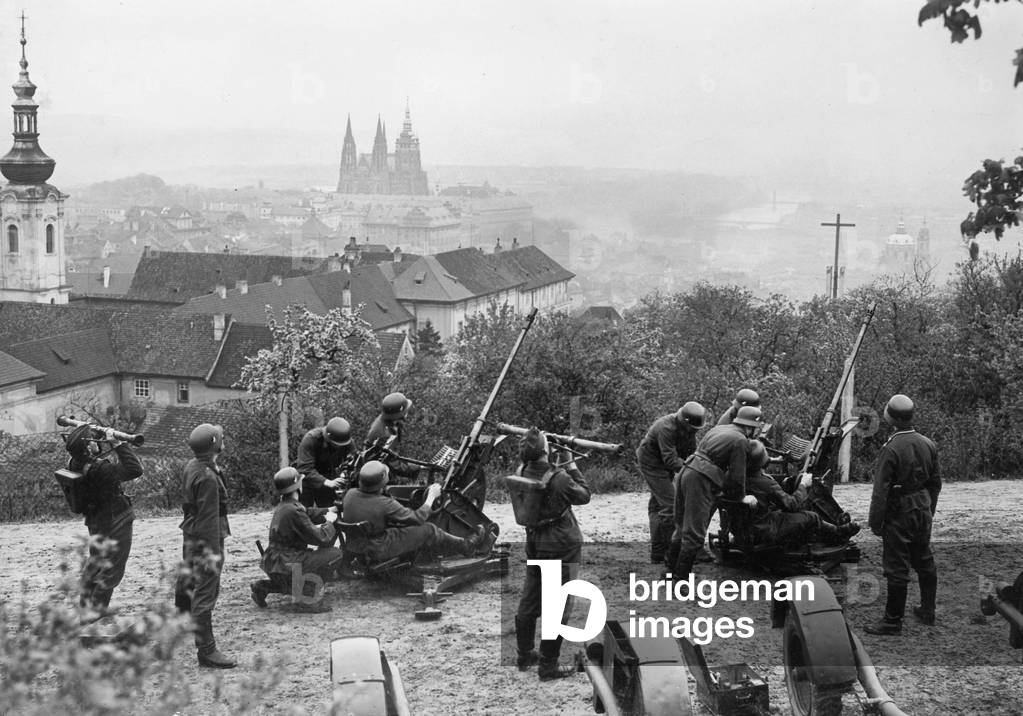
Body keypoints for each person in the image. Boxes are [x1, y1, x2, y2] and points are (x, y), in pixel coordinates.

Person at [513, 428, 591, 681]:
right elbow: (584, 496)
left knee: (530, 598)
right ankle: (548, 666)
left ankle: (524, 654)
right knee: (559, 605)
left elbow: (540, 470)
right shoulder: (559, 478)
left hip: (535, 542)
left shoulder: (521, 472)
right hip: (560, 545)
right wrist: (573, 465)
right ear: (545, 450)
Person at [865, 395, 940, 636]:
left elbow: (880, 492)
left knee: (897, 566)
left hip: (900, 511)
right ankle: (928, 610)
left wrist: (876, 523)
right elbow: (935, 483)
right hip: (922, 507)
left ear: (891, 418)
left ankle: (892, 622)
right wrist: (929, 509)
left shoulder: (891, 448)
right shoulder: (928, 443)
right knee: (923, 559)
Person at [667, 405, 763, 580]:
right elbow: (737, 476)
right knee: (695, 534)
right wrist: (742, 497)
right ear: (751, 427)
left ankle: (668, 574)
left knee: (681, 528)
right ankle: (679, 582)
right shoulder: (740, 441)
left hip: (687, 470)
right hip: (700, 478)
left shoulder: (720, 428)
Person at [63, 423, 143, 615]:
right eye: (91, 440)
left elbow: (95, 459)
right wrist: (119, 444)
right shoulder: (101, 470)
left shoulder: (74, 462)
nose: (94, 442)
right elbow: (135, 469)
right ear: (87, 448)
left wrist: (100, 436)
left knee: (95, 563)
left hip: (95, 521)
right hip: (116, 521)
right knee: (113, 568)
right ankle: (96, 613)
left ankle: (85, 609)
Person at [174, 423, 236, 669]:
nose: (223, 440)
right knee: (206, 590)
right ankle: (207, 651)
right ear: (215, 446)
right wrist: (214, 553)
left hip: (191, 531)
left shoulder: (194, 466)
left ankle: (181, 621)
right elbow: (210, 517)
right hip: (206, 534)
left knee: (188, 578)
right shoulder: (208, 477)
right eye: (221, 438)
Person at [341, 460, 488, 563]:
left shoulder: (350, 494)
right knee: (428, 529)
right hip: (379, 548)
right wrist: (430, 498)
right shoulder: (384, 503)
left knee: (403, 527)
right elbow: (417, 518)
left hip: (356, 546)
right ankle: (467, 546)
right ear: (382, 481)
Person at [251, 467, 344, 613]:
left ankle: (263, 587)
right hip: (288, 562)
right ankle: (307, 599)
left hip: (274, 561)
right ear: (297, 486)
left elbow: (307, 512)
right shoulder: (294, 510)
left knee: (292, 581)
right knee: (335, 554)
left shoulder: (286, 505)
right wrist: (330, 522)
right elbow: (322, 538)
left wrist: (329, 510)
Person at [741, 440, 860, 547]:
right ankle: (837, 534)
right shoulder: (765, 483)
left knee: (790, 512)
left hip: (746, 529)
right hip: (764, 530)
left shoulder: (737, 479)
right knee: (811, 517)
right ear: (763, 462)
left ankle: (831, 530)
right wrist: (803, 485)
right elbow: (791, 505)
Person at [635, 402, 705, 564]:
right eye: (693, 429)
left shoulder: (689, 429)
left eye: (696, 430)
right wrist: (693, 470)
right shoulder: (666, 428)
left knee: (657, 505)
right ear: (684, 422)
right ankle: (667, 552)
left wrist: (696, 465)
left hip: (663, 462)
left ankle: (657, 552)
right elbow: (670, 460)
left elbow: (691, 453)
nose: (694, 432)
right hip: (652, 463)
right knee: (670, 505)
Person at [295, 417, 354, 508]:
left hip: (328, 473)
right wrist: (326, 482)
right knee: (304, 512)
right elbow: (304, 469)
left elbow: (352, 462)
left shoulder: (346, 442)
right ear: (328, 438)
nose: (338, 447)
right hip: (307, 477)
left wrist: (345, 475)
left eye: (340, 445)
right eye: (335, 445)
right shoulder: (311, 439)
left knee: (330, 510)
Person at [364, 392, 421, 480]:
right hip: (376, 477)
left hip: (383, 469)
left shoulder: (392, 422)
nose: (407, 413)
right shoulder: (382, 433)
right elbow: (393, 464)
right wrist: (418, 467)